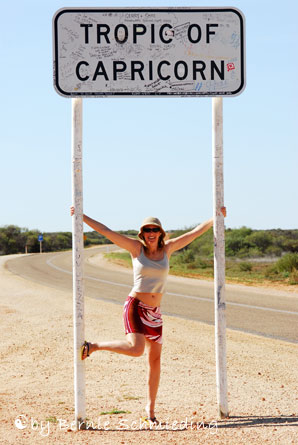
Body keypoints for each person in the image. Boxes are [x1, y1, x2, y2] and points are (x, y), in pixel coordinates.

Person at [70, 206, 226, 424]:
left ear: (161, 233)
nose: (151, 233)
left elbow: (194, 233)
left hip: (155, 312)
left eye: (155, 229)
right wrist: (81, 216)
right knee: (136, 349)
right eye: (147, 230)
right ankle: (94, 346)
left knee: (155, 360)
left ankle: (150, 412)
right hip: (135, 305)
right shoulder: (136, 249)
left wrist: (216, 218)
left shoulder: (168, 249)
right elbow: (106, 231)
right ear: (142, 234)